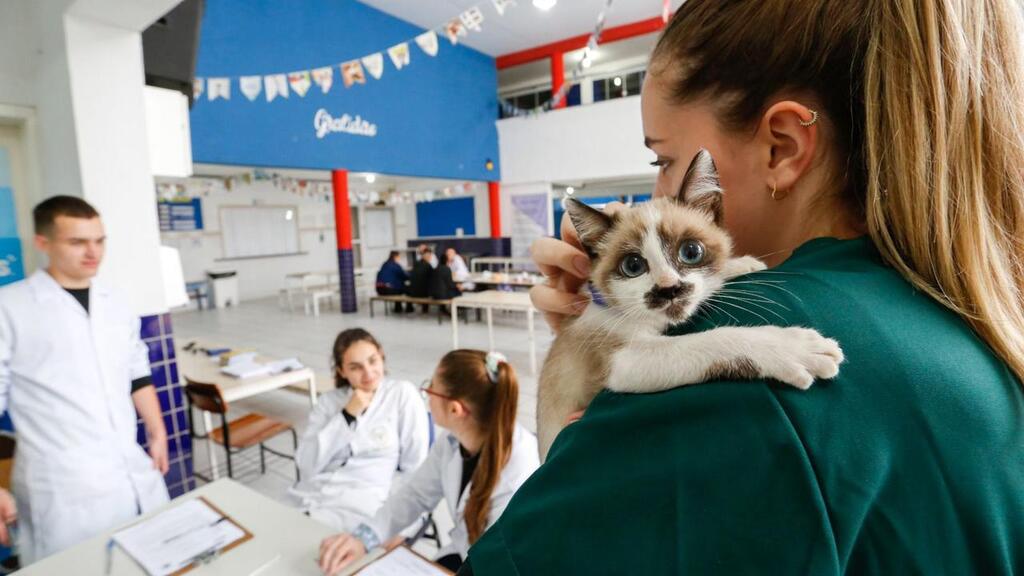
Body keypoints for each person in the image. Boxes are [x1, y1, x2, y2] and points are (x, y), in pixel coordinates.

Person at [463, 1, 1024, 574]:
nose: (658, 190)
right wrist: (613, 324)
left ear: (780, 147)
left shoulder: (744, 366)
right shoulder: (981, 327)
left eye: (664, 160)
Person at [0, 196, 170, 564]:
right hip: (62, 487)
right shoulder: (10, 307)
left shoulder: (115, 301)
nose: (93, 252)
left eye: (99, 240)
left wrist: (157, 432)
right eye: (77, 242)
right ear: (42, 243)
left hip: (131, 467)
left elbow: (136, 370)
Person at [318, 350, 539, 575]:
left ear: (455, 409)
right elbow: (416, 495)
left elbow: (500, 562)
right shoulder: (454, 440)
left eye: (431, 388)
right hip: (468, 557)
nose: (427, 394)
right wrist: (363, 539)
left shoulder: (519, 472)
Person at [289, 328, 429, 532]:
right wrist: (346, 416)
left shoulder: (401, 394)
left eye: (373, 361)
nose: (368, 373)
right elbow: (306, 464)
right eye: (355, 367)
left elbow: (415, 467)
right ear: (341, 371)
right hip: (309, 497)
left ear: (382, 357)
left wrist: (398, 520)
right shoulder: (329, 402)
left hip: (361, 505)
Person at [408, 248, 436, 313]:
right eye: (429, 256)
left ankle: (409, 307)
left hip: (412, 292)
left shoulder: (415, 264)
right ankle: (425, 309)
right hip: (423, 293)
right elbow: (434, 278)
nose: (430, 257)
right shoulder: (428, 266)